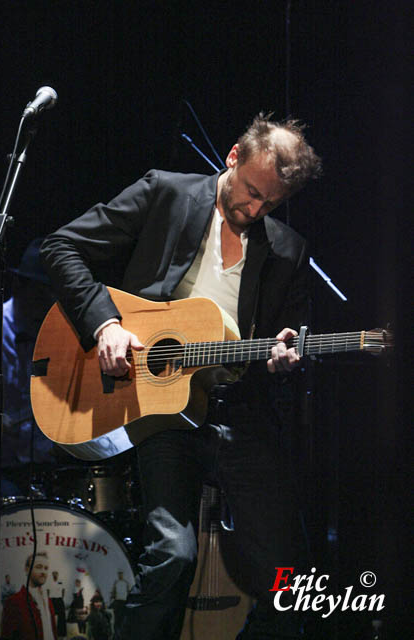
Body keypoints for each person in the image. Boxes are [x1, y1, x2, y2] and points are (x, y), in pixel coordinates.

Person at [40, 113, 322, 639]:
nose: (254, 209)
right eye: (252, 192)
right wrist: (105, 324)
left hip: (240, 412)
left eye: (271, 204)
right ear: (233, 157)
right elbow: (61, 247)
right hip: (159, 404)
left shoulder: (288, 250)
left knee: (292, 576)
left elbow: (290, 337)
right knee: (172, 555)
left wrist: (286, 358)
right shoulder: (166, 194)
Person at [0, 238, 58, 496]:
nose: (50, 302)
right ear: (19, 285)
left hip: (48, 470)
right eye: (43, 292)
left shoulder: (64, 336)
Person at [1, 550, 58, 640]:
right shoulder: (14, 602)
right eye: (39, 567)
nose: (43, 572)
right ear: (27, 569)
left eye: (46, 568)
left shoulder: (48, 600)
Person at [47, 570, 66, 640]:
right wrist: (48, 599)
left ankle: (61, 634)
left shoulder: (61, 581)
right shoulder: (49, 582)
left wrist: (61, 597)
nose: (55, 575)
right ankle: (50, 633)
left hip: (59, 599)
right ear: (52, 575)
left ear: (57, 575)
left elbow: (63, 590)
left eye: (56, 574)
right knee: (50, 616)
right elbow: (47, 591)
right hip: (52, 600)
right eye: (54, 574)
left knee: (62, 617)